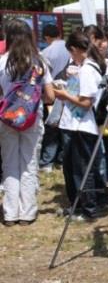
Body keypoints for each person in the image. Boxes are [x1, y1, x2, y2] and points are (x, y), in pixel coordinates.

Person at [0, 19, 55, 226]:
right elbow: (50, 96)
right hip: (32, 118)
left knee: (9, 164)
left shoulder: (2, 62)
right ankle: (27, 212)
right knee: (29, 163)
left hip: (6, 120)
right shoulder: (39, 61)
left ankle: (10, 213)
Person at [55, 31, 108, 221]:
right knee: (82, 168)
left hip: (82, 126)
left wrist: (64, 95)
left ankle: (88, 209)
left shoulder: (87, 69)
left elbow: (86, 102)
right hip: (80, 125)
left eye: (71, 53)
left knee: (82, 170)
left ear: (75, 49)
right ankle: (88, 204)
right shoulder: (90, 66)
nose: (71, 57)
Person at [39, 24, 71, 173]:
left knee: (51, 128)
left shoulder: (45, 52)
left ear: (46, 37)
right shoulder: (71, 47)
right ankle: (62, 159)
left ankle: (47, 162)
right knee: (65, 127)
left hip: (53, 93)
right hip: (70, 92)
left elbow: (43, 77)